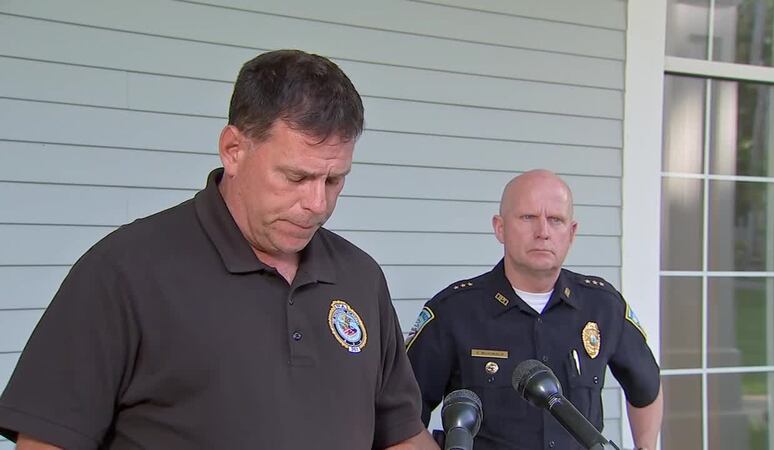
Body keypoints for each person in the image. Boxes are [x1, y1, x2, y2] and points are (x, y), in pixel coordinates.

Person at [0, 50, 438, 450]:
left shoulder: (359, 277)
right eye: (296, 177)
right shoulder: (125, 271)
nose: (317, 204)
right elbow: (46, 441)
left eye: (334, 180)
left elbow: (401, 435)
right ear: (233, 150)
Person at [405, 170, 663, 450]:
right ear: (500, 228)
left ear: (571, 233)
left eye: (556, 220)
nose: (543, 232)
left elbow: (646, 387)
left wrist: (646, 445)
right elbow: (403, 416)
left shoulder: (602, 306)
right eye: (528, 217)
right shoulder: (454, 312)